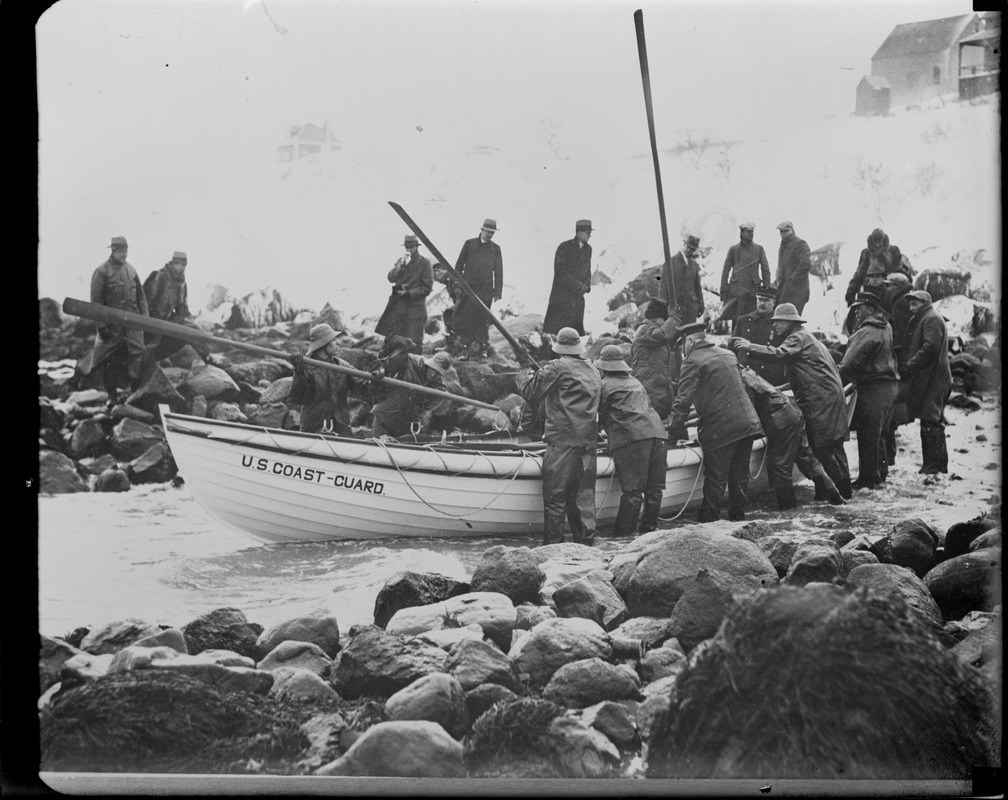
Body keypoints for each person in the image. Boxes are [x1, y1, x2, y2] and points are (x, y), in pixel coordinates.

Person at [731, 303, 852, 499]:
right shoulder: (807, 337)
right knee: (831, 447)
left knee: (823, 447)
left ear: (790, 322)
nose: (774, 326)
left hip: (820, 402)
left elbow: (780, 354)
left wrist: (749, 347)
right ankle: (834, 495)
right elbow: (805, 372)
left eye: (778, 321)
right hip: (828, 399)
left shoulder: (798, 337)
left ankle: (838, 495)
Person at [668, 322, 763, 523]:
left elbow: (682, 402)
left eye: (681, 345)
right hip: (747, 424)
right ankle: (739, 522)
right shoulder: (728, 354)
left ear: (690, 341)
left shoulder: (692, 361)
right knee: (739, 478)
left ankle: (708, 527)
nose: (681, 350)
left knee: (716, 480)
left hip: (721, 429)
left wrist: (672, 435)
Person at [517, 327, 602, 545]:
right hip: (587, 445)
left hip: (562, 444)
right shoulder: (593, 369)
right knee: (582, 500)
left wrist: (524, 367)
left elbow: (529, 391)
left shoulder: (558, 367)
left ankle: (552, 550)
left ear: (559, 348)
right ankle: (586, 551)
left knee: (555, 500)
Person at [739, 365, 845, 508]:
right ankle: (835, 494)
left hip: (780, 421)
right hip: (792, 414)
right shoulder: (748, 372)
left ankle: (788, 510)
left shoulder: (740, 379)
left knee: (779, 467)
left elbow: (748, 410)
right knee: (807, 458)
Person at [595, 344, 669, 535]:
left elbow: (595, 417)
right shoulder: (635, 382)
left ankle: (623, 539)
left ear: (603, 368)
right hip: (659, 435)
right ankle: (648, 533)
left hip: (633, 440)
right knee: (655, 490)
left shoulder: (604, 386)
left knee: (633, 492)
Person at [838, 293, 900, 490]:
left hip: (873, 387)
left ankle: (867, 481)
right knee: (881, 433)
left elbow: (848, 364)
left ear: (872, 309)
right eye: (855, 308)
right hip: (889, 386)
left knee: (868, 434)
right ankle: (880, 476)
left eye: (860, 308)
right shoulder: (886, 325)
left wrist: (834, 380)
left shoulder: (868, 330)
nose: (856, 311)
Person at [86, 236, 149, 403]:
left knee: (138, 352)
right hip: (112, 325)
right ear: (113, 251)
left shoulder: (132, 270)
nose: (124, 254)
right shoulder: (101, 272)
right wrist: (102, 326)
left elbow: (141, 297)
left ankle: (134, 392)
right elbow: (96, 302)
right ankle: (112, 396)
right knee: (110, 360)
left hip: (133, 323)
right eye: (121, 251)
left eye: (126, 251)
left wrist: (145, 319)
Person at [901, 290, 952, 474]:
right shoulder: (929, 317)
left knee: (930, 421)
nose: (911, 307)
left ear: (925, 303)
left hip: (934, 379)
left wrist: (909, 366)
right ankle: (938, 467)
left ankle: (931, 468)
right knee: (933, 421)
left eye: (914, 303)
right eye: (910, 303)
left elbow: (930, 347)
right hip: (934, 377)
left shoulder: (930, 318)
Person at [369, 334, 446, 438]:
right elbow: (371, 392)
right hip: (384, 420)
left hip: (410, 423)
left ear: (403, 354)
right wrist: (376, 381)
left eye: (390, 359)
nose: (387, 363)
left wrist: (422, 406)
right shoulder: (383, 367)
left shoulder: (421, 364)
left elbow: (440, 391)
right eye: (384, 360)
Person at [451, 218, 504, 360]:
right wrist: (457, 284)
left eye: (492, 233)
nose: (490, 235)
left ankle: (482, 350)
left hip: (485, 291)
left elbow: (498, 272)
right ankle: (465, 350)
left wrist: (498, 291)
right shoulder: (469, 244)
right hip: (468, 289)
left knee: (482, 320)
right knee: (466, 318)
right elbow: (459, 265)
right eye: (488, 232)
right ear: (482, 230)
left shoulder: (495, 249)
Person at [290, 323, 356, 435]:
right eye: (334, 340)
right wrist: (299, 372)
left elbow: (363, 385)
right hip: (314, 428)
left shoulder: (342, 366)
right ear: (324, 343)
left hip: (341, 428)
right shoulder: (306, 367)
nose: (338, 343)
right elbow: (298, 398)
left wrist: (376, 376)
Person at [140, 250, 194, 379]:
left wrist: (176, 323)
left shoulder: (182, 284)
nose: (181, 268)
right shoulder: (159, 276)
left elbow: (183, 309)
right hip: (149, 323)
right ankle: (140, 377)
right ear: (172, 263)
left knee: (186, 335)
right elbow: (144, 302)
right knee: (147, 350)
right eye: (178, 264)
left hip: (165, 324)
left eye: (183, 265)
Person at [375, 234, 434, 352]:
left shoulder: (424, 263)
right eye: (407, 247)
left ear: (417, 247)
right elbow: (391, 278)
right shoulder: (401, 262)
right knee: (393, 341)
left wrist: (409, 293)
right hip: (398, 307)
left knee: (414, 344)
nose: (409, 250)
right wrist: (400, 265)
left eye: (412, 247)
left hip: (414, 308)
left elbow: (427, 287)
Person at [882, 271, 915, 465]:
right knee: (892, 412)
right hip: (904, 362)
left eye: (888, 286)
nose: (885, 289)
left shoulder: (900, 302)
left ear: (896, 286)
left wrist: (895, 356)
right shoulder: (903, 300)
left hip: (900, 362)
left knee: (891, 411)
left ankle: (889, 458)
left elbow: (902, 335)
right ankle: (889, 457)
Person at [630, 298, 681, 419]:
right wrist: (673, 319)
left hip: (657, 384)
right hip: (650, 385)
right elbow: (663, 333)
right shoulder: (645, 329)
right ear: (655, 317)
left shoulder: (651, 329)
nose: (665, 322)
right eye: (664, 319)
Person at [543, 219, 594, 336]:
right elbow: (560, 272)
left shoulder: (588, 249)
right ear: (578, 232)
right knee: (559, 332)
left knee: (575, 333)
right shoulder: (564, 247)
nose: (589, 235)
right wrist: (578, 285)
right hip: (562, 297)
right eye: (587, 232)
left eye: (590, 233)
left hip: (578, 297)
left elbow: (588, 270)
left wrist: (587, 285)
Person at [731, 285, 787, 387]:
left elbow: (783, 354)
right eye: (760, 299)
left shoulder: (780, 323)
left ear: (774, 303)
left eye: (766, 300)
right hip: (745, 375)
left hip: (769, 378)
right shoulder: (743, 320)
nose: (762, 303)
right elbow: (731, 350)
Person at [719, 222, 771, 322]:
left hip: (753, 292)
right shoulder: (734, 250)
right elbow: (725, 271)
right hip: (737, 292)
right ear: (742, 233)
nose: (751, 234)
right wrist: (724, 291)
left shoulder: (759, 249)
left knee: (753, 320)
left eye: (752, 232)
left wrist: (766, 290)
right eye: (748, 232)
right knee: (737, 321)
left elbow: (765, 270)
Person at [844, 228, 908, 307]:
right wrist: (851, 292)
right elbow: (859, 275)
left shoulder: (893, 251)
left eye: (879, 241)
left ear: (883, 240)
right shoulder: (866, 253)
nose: (877, 244)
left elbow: (900, 272)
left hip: (890, 290)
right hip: (871, 289)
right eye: (875, 242)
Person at [659, 234, 705, 324]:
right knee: (674, 335)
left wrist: (701, 304)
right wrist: (662, 307)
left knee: (690, 336)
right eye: (688, 247)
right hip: (675, 309)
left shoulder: (694, 265)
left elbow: (697, 287)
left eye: (693, 249)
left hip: (691, 310)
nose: (690, 251)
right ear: (684, 244)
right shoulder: (670, 263)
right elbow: (663, 287)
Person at [420, 350, 466, 435]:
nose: (433, 374)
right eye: (432, 369)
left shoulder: (450, 373)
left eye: (437, 372)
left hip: (440, 410)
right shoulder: (419, 366)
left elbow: (457, 392)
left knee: (445, 402)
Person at [774, 221, 811, 314]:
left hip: (797, 291)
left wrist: (792, 280)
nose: (783, 234)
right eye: (781, 232)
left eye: (786, 231)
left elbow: (805, 264)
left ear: (792, 230)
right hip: (784, 290)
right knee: (781, 317)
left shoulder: (800, 244)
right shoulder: (782, 247)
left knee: (792, 319)